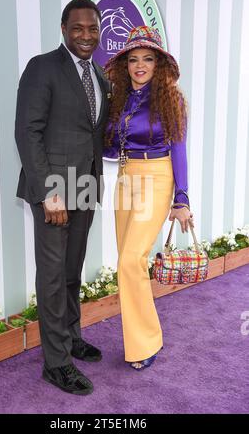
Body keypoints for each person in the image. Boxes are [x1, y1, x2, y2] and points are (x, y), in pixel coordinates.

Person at [15, 0, 110, 395]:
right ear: (63, 28)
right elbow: (28, 133)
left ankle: (70, 337)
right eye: (78, 28)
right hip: (55, 191)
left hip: (86, 186)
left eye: (92, 28)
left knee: (72, 271)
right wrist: (50, 193)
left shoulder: (101, 75)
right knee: (53, 278)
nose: (86, 36)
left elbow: (92, 134)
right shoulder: (42, 67)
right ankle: (55, 363)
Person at [103, 26, 194, 370]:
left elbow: (180, 149)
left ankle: (146, 342)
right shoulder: (120, 100)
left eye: (148, 59)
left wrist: (181, 199)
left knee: (130, 260)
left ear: (159, 64)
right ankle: (138, 338)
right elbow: (111, 146)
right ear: (126, 65)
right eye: (134, 59)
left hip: (157, 179)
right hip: (126, 180)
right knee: (126, 263)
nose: (140, 65)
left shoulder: (171, 99)